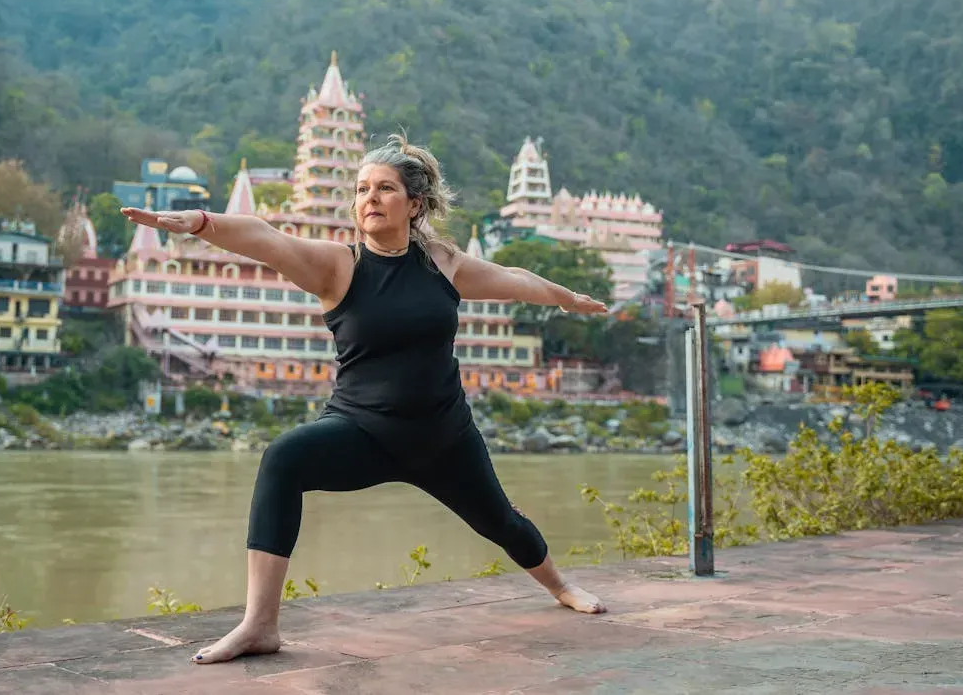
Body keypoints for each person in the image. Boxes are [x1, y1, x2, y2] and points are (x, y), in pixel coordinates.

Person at [121, 135, 610, 665]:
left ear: (414, 204)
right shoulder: (338, 266)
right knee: (283, 458)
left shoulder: (442, 263)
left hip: (445, 438)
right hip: (362, 432)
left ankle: (561, 587)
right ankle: (260, 625)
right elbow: (265, 238)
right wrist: (200, 223)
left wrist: (567, 299)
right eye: (361, 190)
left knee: (502, 523)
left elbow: (513, 281)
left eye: (384, 189)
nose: (370, 198)